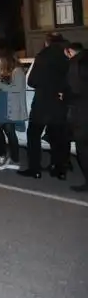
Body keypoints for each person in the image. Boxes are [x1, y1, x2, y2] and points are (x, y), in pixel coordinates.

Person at [20, 32, 69, 179]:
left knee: (33, 135)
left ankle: (35, 169)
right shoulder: (67, 57)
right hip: (60, 104)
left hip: (42, 104)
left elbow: (32, 81)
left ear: (47, 42)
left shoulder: (43, 56)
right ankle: (59, 170)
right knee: (58, 138)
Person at [0, 51, 26, 171]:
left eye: (0, 60)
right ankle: (7, 156)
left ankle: (11, 158)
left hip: (9, 107)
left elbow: (16, 88)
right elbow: (4, 90)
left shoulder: (17, 71)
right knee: (7, 131)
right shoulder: (8, 72)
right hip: (4, 106)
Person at [65, 42, 88, 192]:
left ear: (70, 51)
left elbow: (74, 89)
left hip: (82, 112)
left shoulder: (75, 64)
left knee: (83, 149)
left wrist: (64, 96)